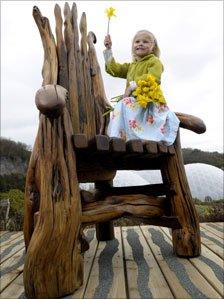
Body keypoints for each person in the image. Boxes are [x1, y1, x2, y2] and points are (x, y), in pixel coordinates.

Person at [103, 30, 180, 145]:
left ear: (153, 47)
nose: (140, 44)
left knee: (125, 103)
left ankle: (137, 136)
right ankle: (118, 137)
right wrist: (109, 50)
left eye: (145, 42)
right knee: (123, 104)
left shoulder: (154, 62)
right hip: (134, 103)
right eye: (137, 41)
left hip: (148, 102)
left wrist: (131, 86)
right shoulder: (132, 65)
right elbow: (114, 69)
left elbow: (153, 77)